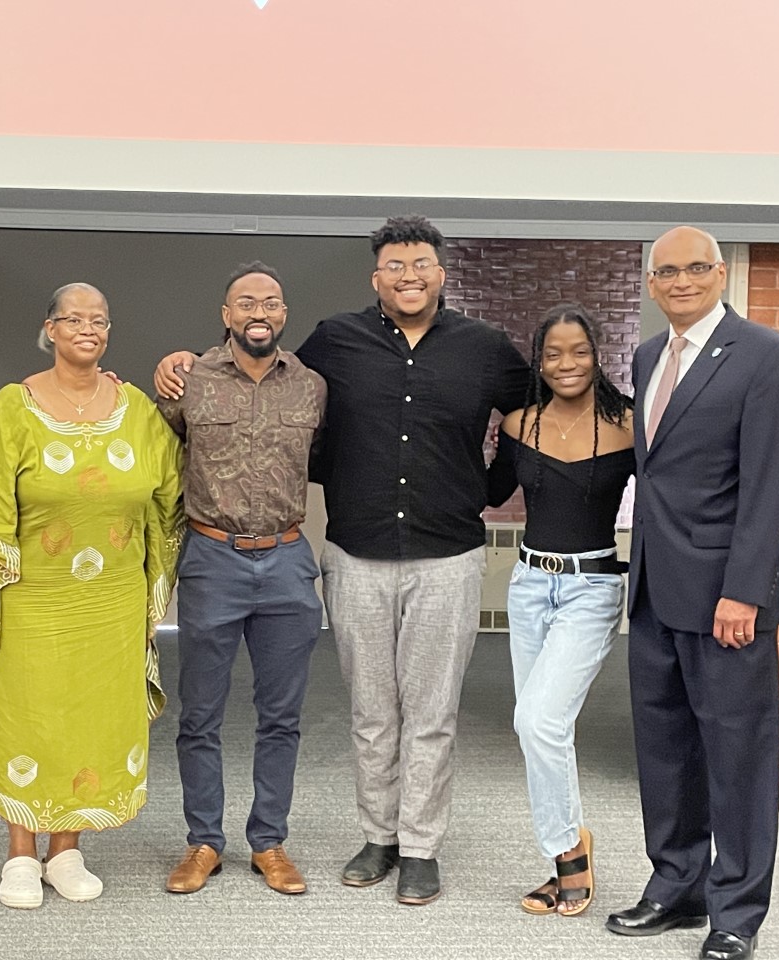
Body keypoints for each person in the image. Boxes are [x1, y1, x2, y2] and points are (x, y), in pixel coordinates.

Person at [156, 215, 529, 905]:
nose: (408, 276)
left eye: (420, 264)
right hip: (355, 552)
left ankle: (419, 847)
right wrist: (180, 362)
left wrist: (491, 486)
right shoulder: (335, 341)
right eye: (394, 266)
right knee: (371, 709)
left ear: (441, 273)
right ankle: (378, 836)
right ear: (376, 277)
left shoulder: (484, 347)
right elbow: (273, 395)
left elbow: (528, 414)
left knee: (432, 710)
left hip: (447, 555)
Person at [0, 283, 184, 910]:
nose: (87, 328)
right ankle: (22, 853)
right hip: (30, 602)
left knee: (91, 719)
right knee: (30, 715)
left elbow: (171, 501)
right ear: (49, 328)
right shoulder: (11, 410)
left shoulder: (137, 410)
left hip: (113, 605)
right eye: (73, 318)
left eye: (99, 319)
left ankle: (67, 850)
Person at [605, 227, 779, 960]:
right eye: (667, 271)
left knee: (736, 757)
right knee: (665, 752)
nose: (681, 280)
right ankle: (677, 887)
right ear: (653, 284)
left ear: (720, 273)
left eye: (696, 268)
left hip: (727, 599)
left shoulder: (764, 355)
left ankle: (737, 914)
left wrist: (744, 592)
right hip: (656, 588)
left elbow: (773, 481)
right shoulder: (649, 355)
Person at [155, 262, 326, 896]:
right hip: (212, 559)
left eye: (273, 302)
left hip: (285, 559)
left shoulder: (311, 386)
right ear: (226, 315)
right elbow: (149, 456)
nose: (260, 311)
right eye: (246, 302)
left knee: (281, 715)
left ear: (284, 315)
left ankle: (269, 842)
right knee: (200, 713)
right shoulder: (187, 382)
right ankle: (203, 841)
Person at [486, 303, 634, 918]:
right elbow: (488, 491)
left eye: (579, 351)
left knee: (538, 722)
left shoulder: (629, 424)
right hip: (527, 585)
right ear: (538, 360)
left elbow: (678, 492)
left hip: (592, 588)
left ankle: (569, 849)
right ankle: (564, 854)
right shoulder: (521, 423)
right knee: (543, 730)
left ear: (597, 355)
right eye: (552, 354)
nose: (566, 364)